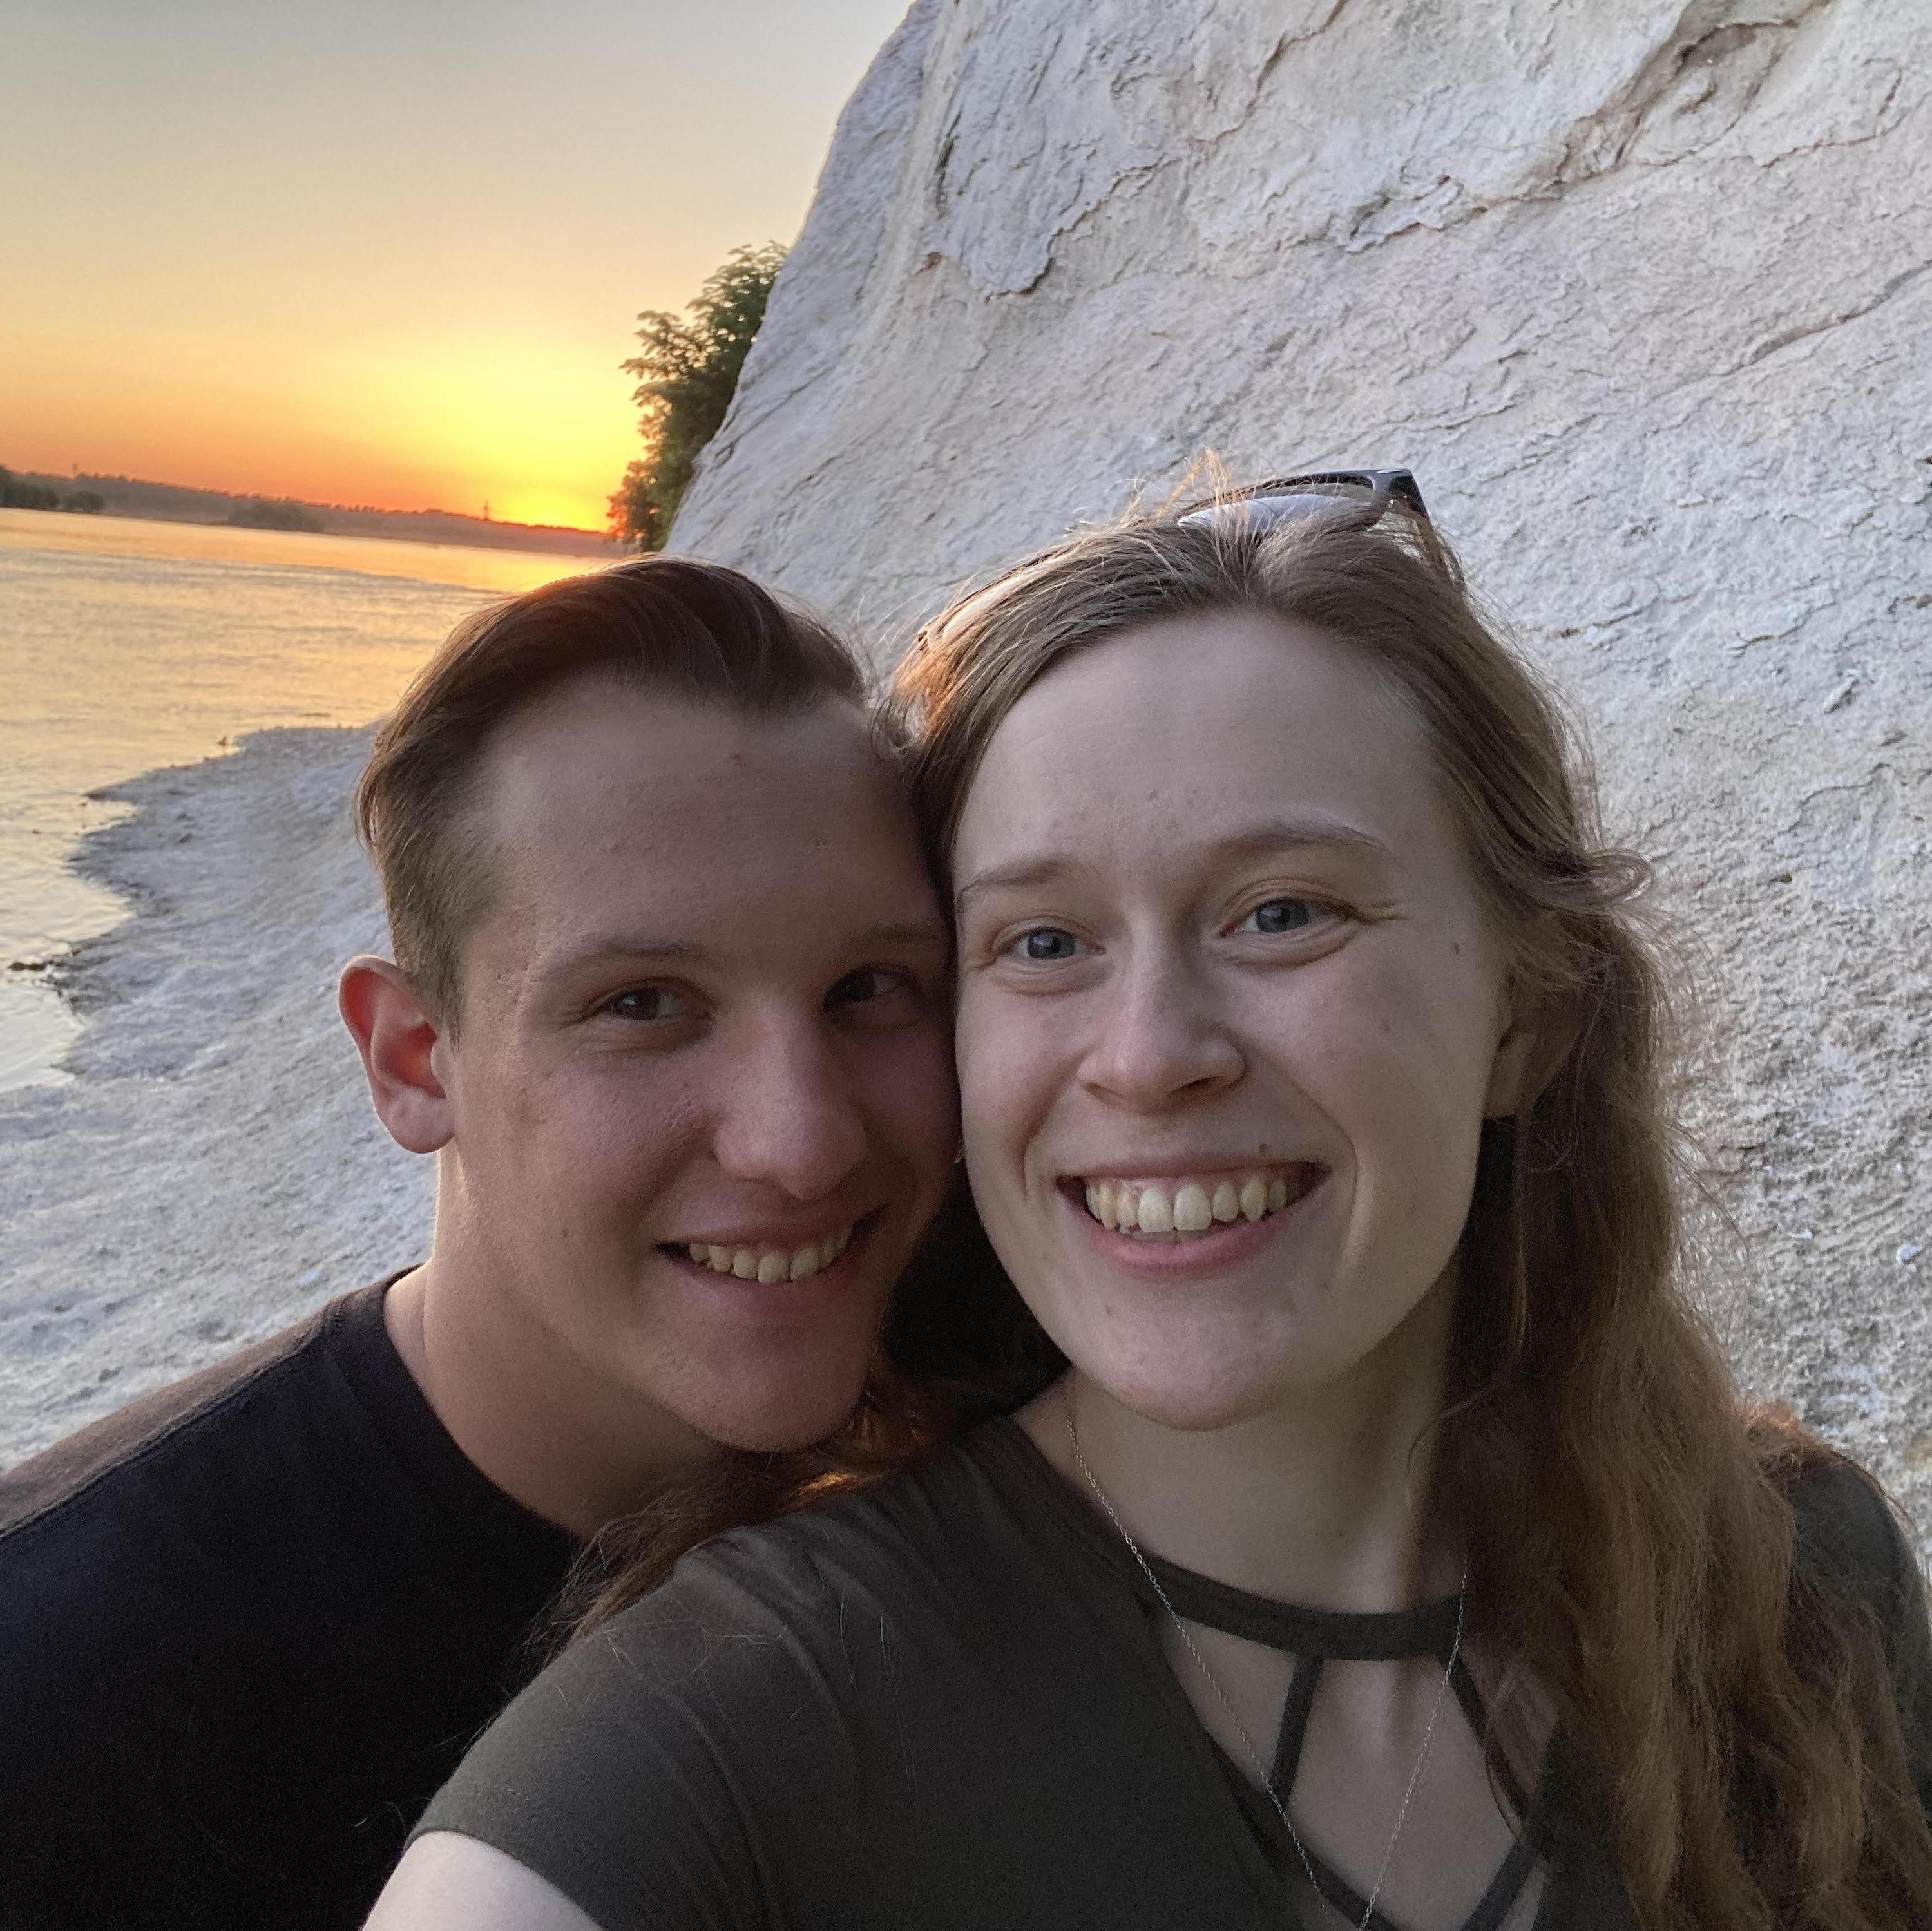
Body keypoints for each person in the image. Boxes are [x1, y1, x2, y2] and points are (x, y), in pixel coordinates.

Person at [374, 476, 1932, 1930]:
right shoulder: (744, 1716)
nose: (1151, 1055)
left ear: (1526, 1013)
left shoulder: (1798, 1583)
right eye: (1042, 941)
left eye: (1282, 911)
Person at [0, 558, 961, 1930]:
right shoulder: (62, 1705)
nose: (801, 1141)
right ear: (414, 1060)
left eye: (870, 987)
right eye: (643, 1003)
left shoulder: (1006, 1468)